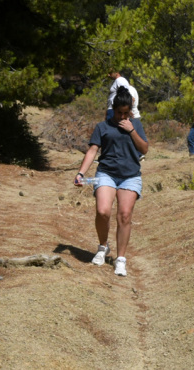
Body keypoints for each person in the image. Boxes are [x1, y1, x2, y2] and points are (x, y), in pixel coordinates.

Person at [75, 86, 148, 277]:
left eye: (126, 113)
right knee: (103, 211)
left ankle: (121, 259)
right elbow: (92, 151)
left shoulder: (135, 124)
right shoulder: (103, 127)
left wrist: (132, 130)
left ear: (130, 110)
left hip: (130, 175)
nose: (123, 117)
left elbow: (145, 149)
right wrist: (81, 173)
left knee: (124, 215)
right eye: (119, 113)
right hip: (106, 173)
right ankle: (103, 247)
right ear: (112, 110)